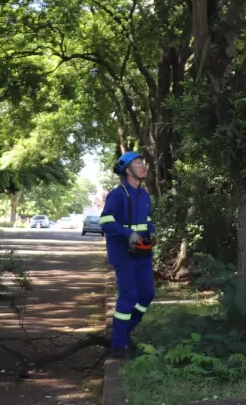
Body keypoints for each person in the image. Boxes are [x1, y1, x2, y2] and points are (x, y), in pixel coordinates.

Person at [100, 151, 155, 359]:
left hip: (143, 252)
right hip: (124, 255)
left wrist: (152, 232)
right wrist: (127, 233)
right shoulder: (117, 194)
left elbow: (147, 219)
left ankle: (125, 333)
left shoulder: (143, 194)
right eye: (138, 163)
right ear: (128, 170)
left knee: (147, 294)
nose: (143, 166)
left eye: (142, 163)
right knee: (129, 295)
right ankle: (118, 346)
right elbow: (105, 222)